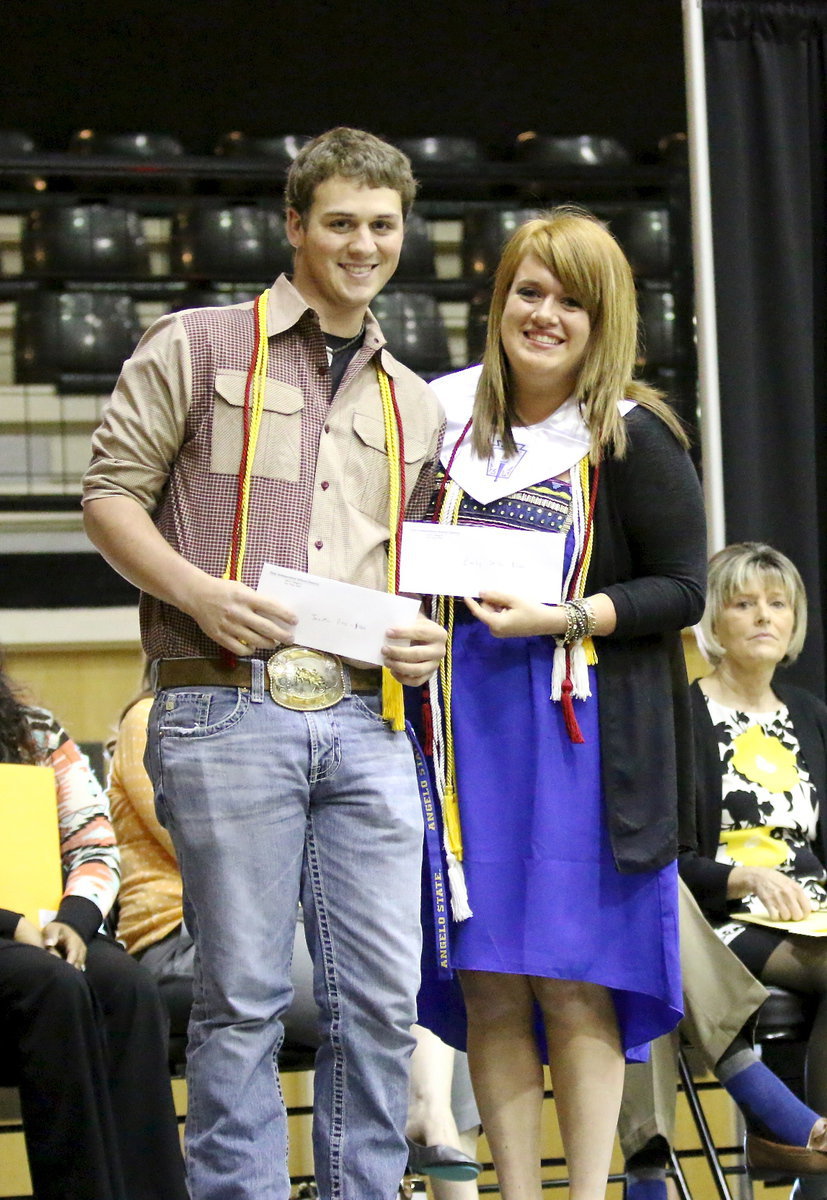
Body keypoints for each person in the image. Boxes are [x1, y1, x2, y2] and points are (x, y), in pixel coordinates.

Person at [81, 126, 447, 1200]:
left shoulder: (415, 400)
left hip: (369, 717)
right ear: (294, 225)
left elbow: (416, 570)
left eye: (382, 225)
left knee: (382, 1002)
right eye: (339, 222)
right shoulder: (195, 344)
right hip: (223, 705)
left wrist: (425, 634)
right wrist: (197, 592)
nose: (363, 244)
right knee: (241, 997)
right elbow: (108, 497)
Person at [414, 207, 707, 1200]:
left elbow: (683, 590)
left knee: (572, 981)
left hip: (580, 742)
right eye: (528, 292)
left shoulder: (631, 434)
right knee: (489, 981)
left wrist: (565, 616)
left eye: (571, 302)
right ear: (497, 301)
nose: (544, 315)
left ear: (602, 319)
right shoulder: (442, 422)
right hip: (463, 739)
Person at [107, 690, 481, 1199]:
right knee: (250, 1005)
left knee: (400, 1003)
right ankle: (426, 1115)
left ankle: (425, 1115)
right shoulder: (147, 715)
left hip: (364, 701)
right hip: (171, 933)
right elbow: (200, 849)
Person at [0, 656, 187, 1200]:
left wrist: (75, 921)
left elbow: (93, 841)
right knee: (51, 983)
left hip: (47, 920)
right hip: (11, 937)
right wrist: (12, 925)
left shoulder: (33, 731)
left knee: (126, 985)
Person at [680, 541, 827, 1200]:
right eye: (743, 604)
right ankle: (809, 1154)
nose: (764, 616)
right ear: (713, 619)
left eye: (777, 604)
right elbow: (663, 856)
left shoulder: (808, 714)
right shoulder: (683, 715)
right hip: (720, 915)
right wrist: (744, 878)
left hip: (811, 906)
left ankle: (803, 1159)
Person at [619, 879, 827, 1200]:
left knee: (644, 903)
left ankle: (646, 1180)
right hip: (707, 914)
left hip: (806, 911)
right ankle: (775, 1111)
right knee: (645, 891)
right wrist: (745, 877)